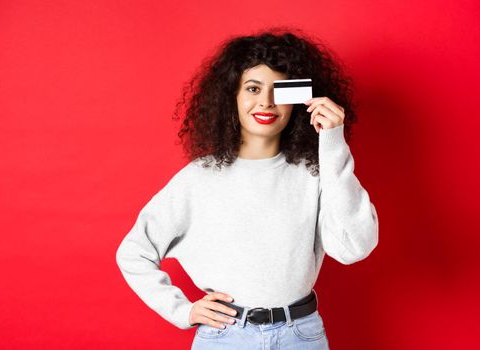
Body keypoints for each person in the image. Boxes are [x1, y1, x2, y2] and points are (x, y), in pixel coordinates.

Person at [115, 27, 379, 350]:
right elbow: (133, 252)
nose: (265, 102)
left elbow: (356, 246)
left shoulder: (315, 174)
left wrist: (332, 143)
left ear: (297, 98)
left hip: (301, 335)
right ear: (233, 96)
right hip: (226, 337)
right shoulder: (199, 178)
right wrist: (183, 311)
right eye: (253, 88)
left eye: (279, 89)